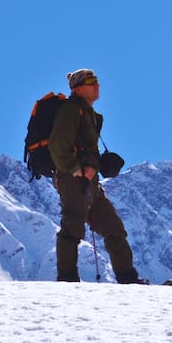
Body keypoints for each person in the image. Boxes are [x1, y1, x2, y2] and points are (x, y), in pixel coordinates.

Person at [49, 68, 145, 284]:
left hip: (90, 181)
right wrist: (76, 168)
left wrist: (96, 164)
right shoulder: (70, 110)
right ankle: (67, 280)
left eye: (96, 81)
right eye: (90, 81)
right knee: (72, 225)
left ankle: (129, 279)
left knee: (113, 227)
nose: (96, 85)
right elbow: (58, 146)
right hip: (72, 178)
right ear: (77, 88)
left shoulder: (88, 114)